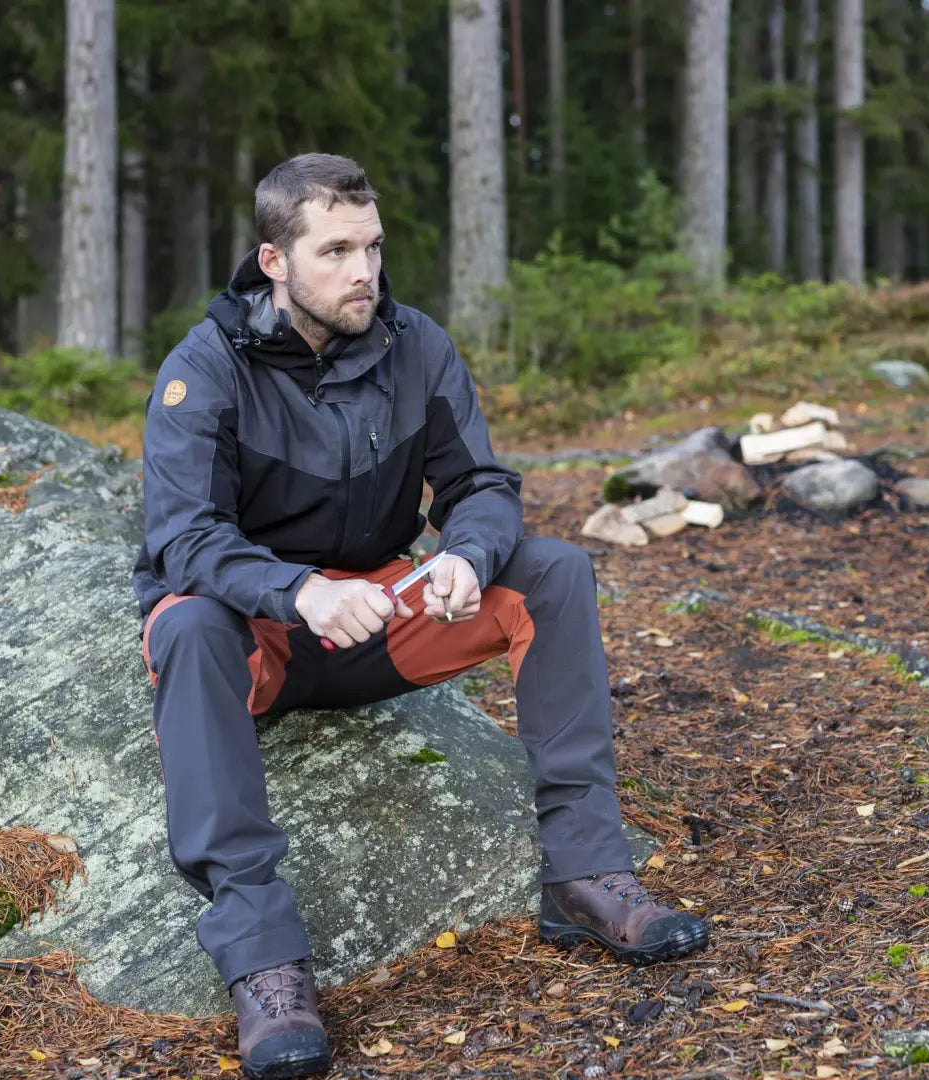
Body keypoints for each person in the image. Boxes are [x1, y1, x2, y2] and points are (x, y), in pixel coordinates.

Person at [133, 153, 709, 1080]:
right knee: (188, 623)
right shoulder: (204, 370)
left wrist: (466, 556)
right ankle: (265, 964)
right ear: (275, 262)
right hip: (262, 640)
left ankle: (584, 875)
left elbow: (480, 484)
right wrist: (299, 591)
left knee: (552, 571)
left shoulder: (418, 345)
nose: (363, 271)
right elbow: (183, 538)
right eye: (334, 251)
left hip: (386, 618)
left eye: (371, 246)